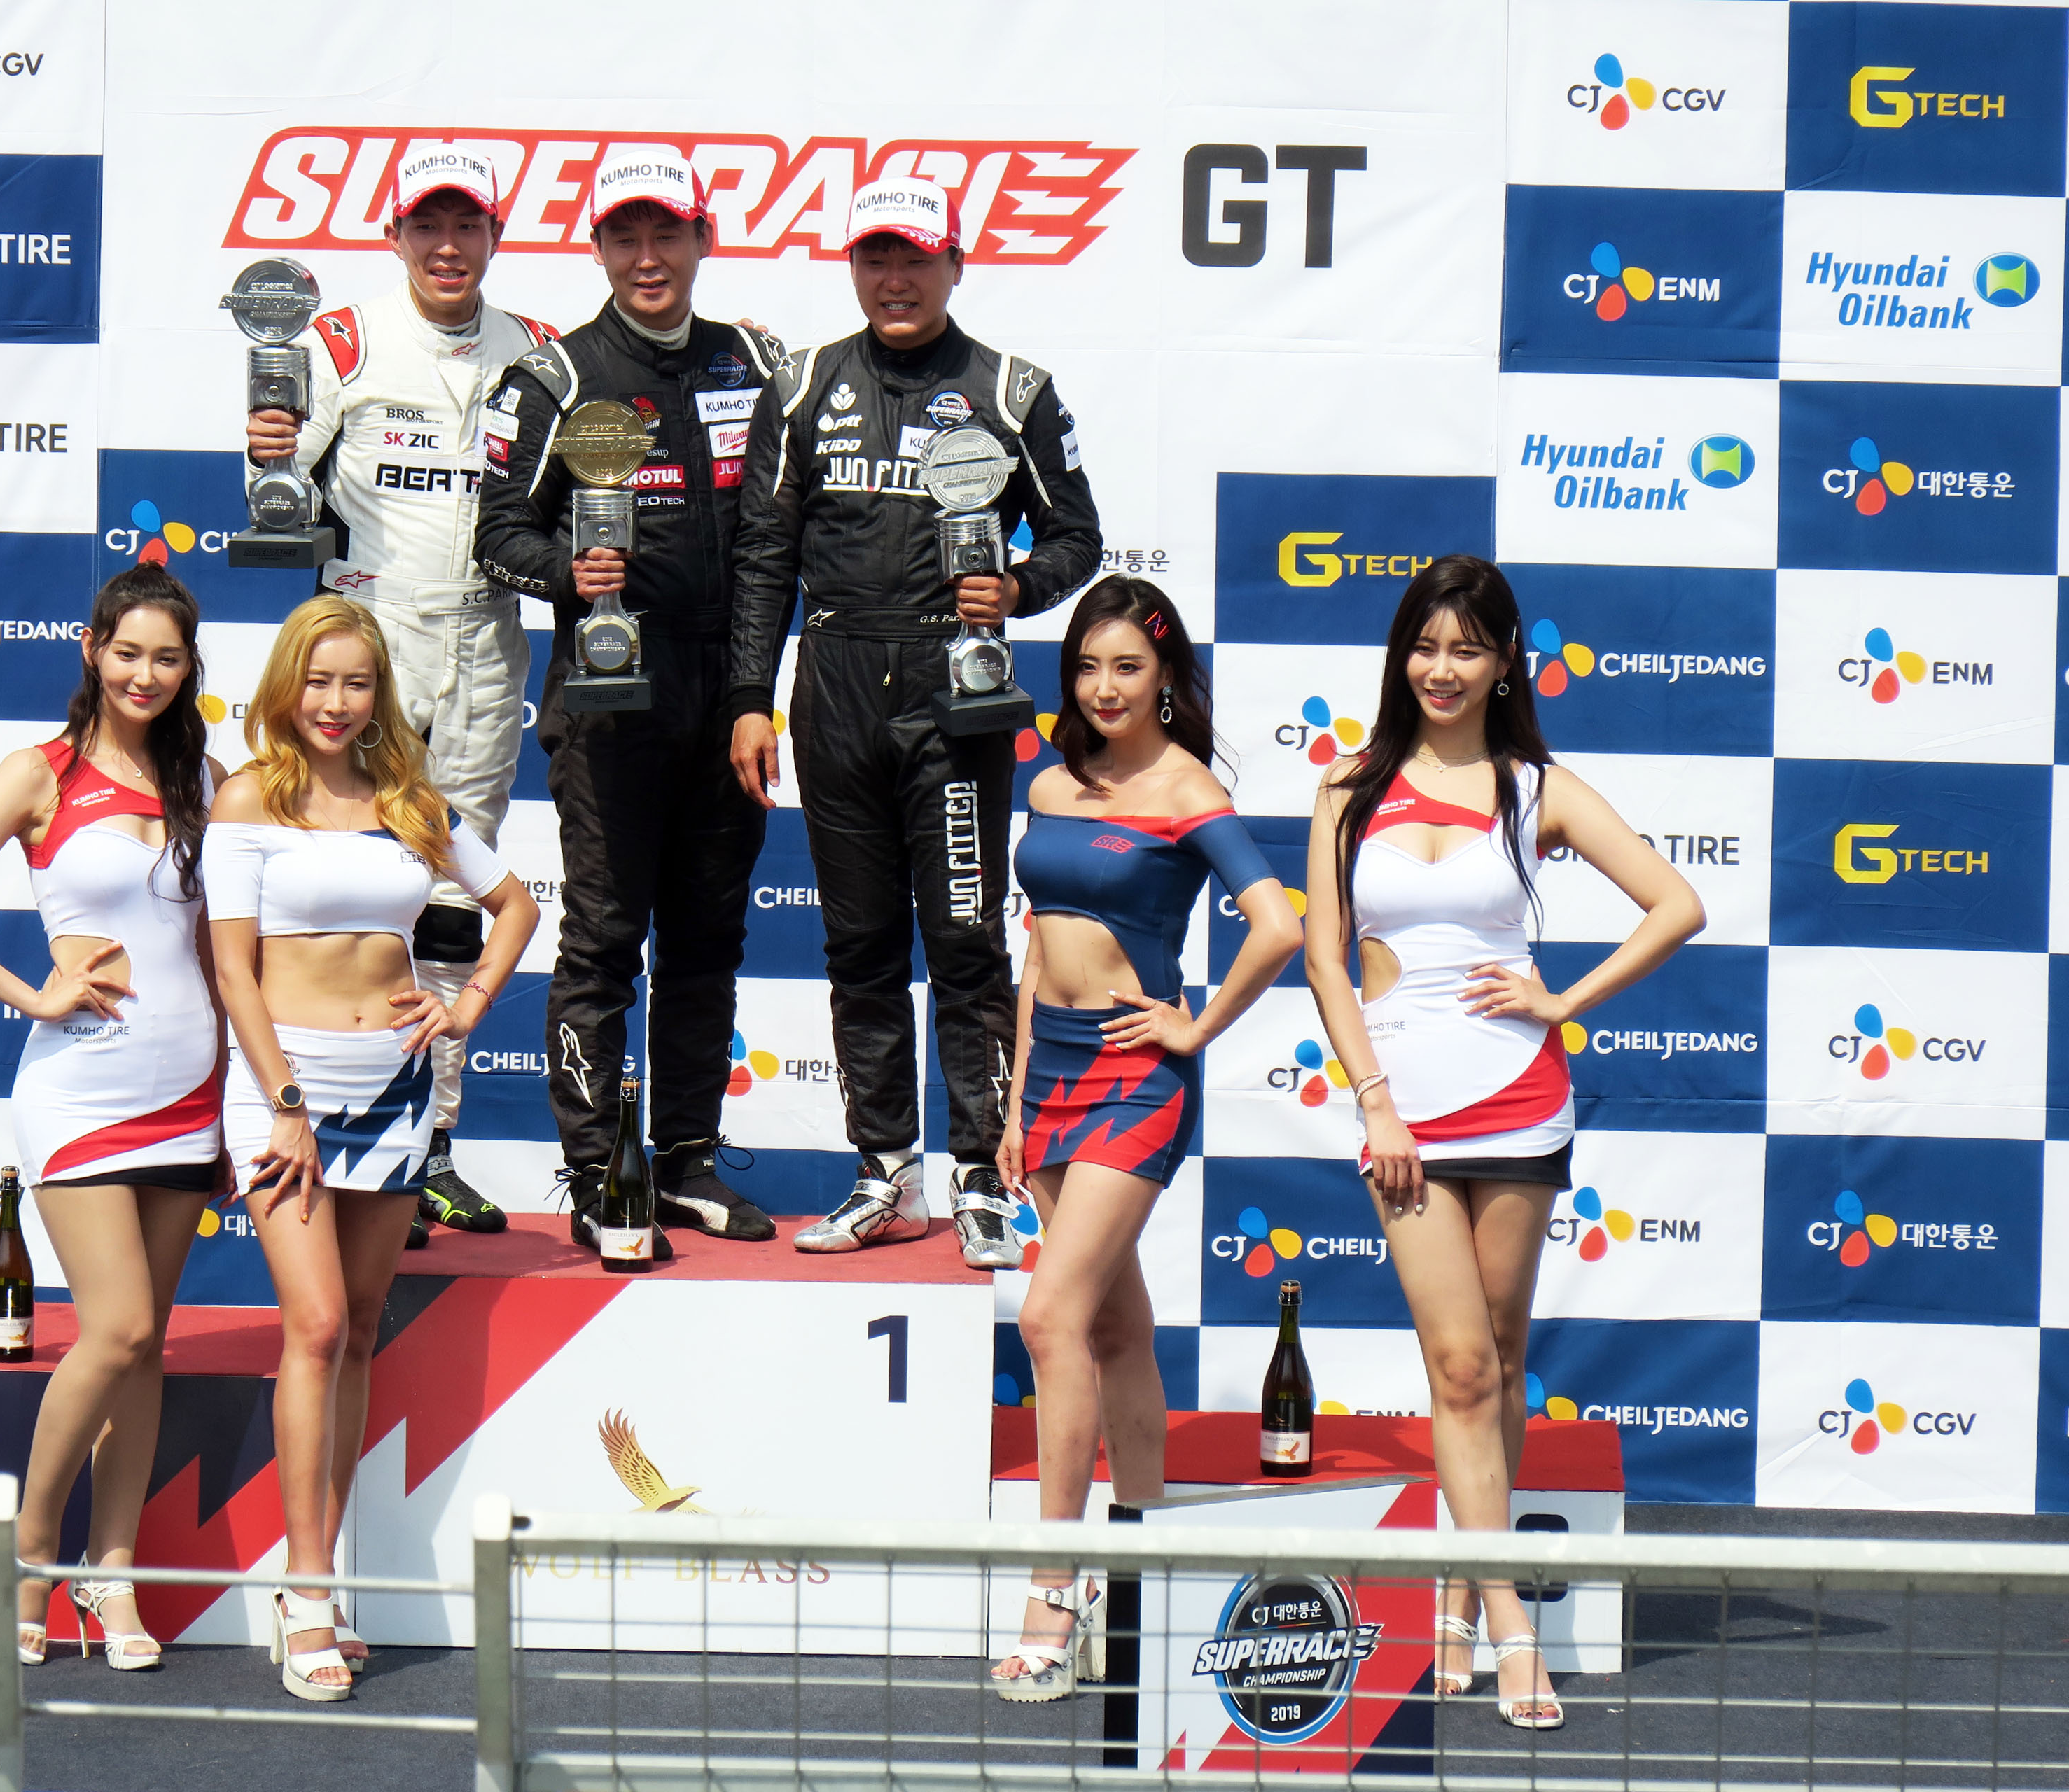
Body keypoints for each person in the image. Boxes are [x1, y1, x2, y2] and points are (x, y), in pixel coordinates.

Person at [1302, 555, 1701, 1731]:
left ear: (1505, 662)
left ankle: (1463, 1596)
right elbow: (1325, 958)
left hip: (1523, 1101)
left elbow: (1678, 905)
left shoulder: (1538, 788)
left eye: (1467, 649)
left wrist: (1564, 1002)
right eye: (1426, 647)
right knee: (1462, 1366)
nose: (1443, 669)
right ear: (1400, 656)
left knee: (1503, 1354)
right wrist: (1375, 1102)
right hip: (1403, 1113)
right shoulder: (1349, 786)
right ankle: (1510, 1619)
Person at [727, 177, 1102, 1268]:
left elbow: (1077, 537)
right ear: (854, 268)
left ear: (955, 265)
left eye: (916, 258)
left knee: (966, 942)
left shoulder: (1013, 390)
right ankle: (884, 1171)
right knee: (859, 947)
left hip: (956, 695)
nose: (895, 280)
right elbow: (764, 559)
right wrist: (750, 697)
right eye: (876, 258)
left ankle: (983, 1176)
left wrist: (1018, 589)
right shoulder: (803, 385)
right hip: (836, 685)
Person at [204, 594, 538, 1702]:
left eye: (355, 682)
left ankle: (326, 1578)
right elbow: (233, 970)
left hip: (395, 1089)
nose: (336, 702)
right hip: (283, 1092)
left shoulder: (412, 802)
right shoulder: (249, 799)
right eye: (318, 680)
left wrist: (466, 1004)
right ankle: (303, 1588)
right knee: (315, 1324)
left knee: (355, 1333)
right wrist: (286, 1100)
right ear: (286, 687)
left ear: (379, 691)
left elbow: (515, 906)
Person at [0, 563, 226, 1672]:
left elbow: (225, 954)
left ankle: (113, 1573)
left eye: (167, 658)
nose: (146, 674)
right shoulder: (38, 772)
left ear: (189, 668)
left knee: (147, 1351)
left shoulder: (208, 780)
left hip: (191, 1095)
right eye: (128, 652)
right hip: (81, 1094)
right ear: (93, 650)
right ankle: (32, 1555)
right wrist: (33, 995)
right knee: (118, 1328)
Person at [986, 577, 1302, 1700]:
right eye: (1087, 666)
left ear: (1166, 676)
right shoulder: (1049, 781)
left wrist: (1196, 1025)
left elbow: (1279, 924)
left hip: (1134, 1079)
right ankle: (1147, 1568)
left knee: (1048, 1317)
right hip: (1053, 1076)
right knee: (1116, 1327)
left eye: (1127, 666)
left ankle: (1054, 1592)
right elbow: (1040, 948)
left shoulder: (1187, 789)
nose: (1104, 687)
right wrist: (1016, 1101)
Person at [245, 144, 557, 1245]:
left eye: (467, 224)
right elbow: (277, 489)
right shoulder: (341, 339)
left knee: (453, 899)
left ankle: (431, 1146)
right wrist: (267, 448)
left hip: (486, 639)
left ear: (495, 235)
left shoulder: (540, 349)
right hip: (366, 642)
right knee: (339, 888)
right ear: (395, 235)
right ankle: (318, 1121)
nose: (447, 245)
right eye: (428, 224)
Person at [475, 148, 781, 1253]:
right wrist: (570, 572)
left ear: (704, 238)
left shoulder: (754, 363)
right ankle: (601, 1171)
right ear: (598, 248)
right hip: (609, 698)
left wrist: (752, 694)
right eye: (625, 237)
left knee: (708, 942)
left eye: (667, 234)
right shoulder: (555, 378)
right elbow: (496, 533)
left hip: (723, 698)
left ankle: (687, 1159)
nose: (648, 258)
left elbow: (771, 546)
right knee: (605, 942)